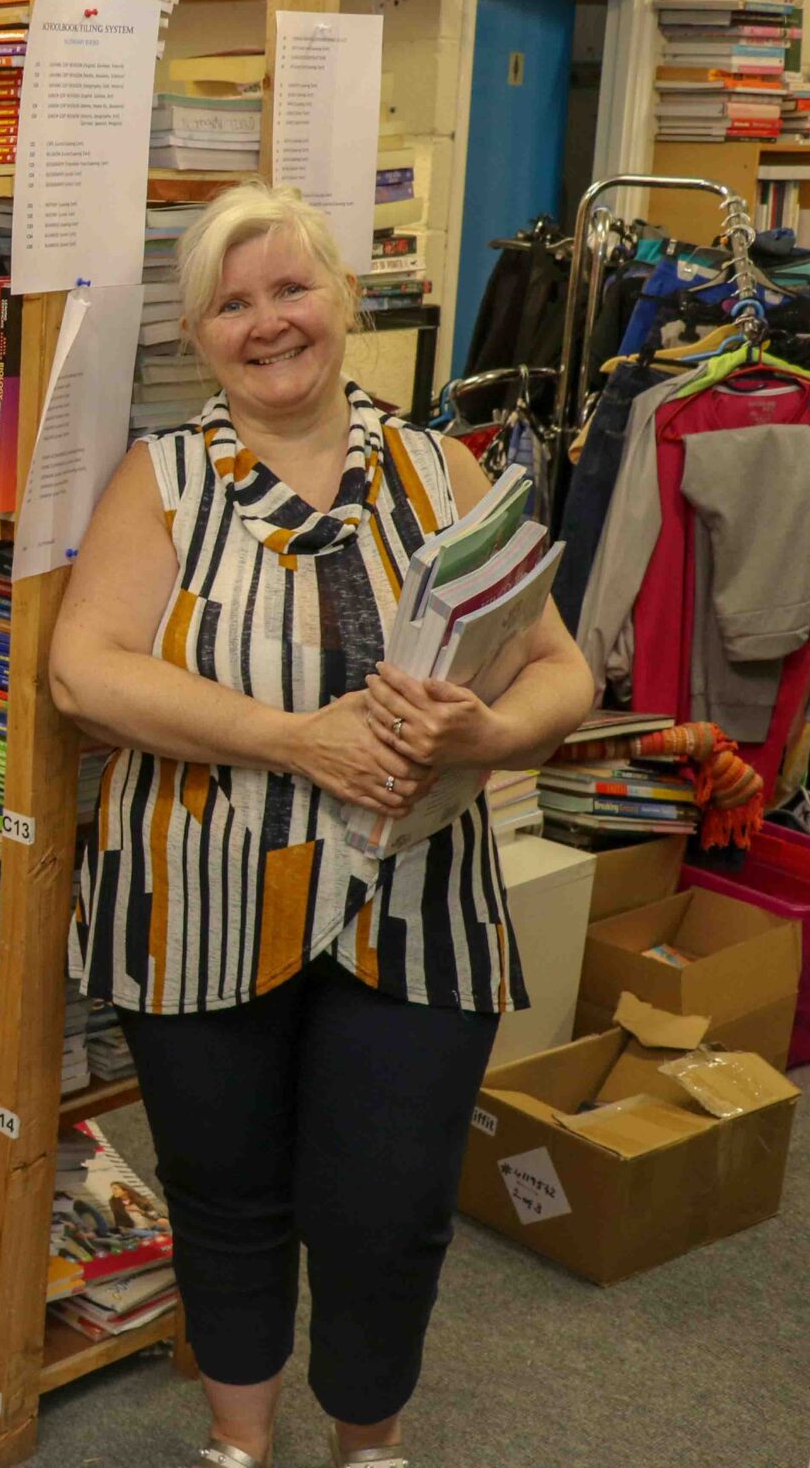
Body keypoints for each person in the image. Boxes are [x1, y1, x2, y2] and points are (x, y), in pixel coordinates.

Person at [48, 184, 595, 1468]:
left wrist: (494, 734)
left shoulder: (444, 467)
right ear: (197, 334)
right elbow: (85, 673)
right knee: (226, 1196)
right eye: (230, 304)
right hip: (197, 900)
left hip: (415, 908)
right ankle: (240, 1444)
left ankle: (368, 1445)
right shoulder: (160, 481)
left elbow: (563, 668)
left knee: (388, 1208)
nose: (267, 323)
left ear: (344, 297)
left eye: (290, 289)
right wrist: (299, 738)